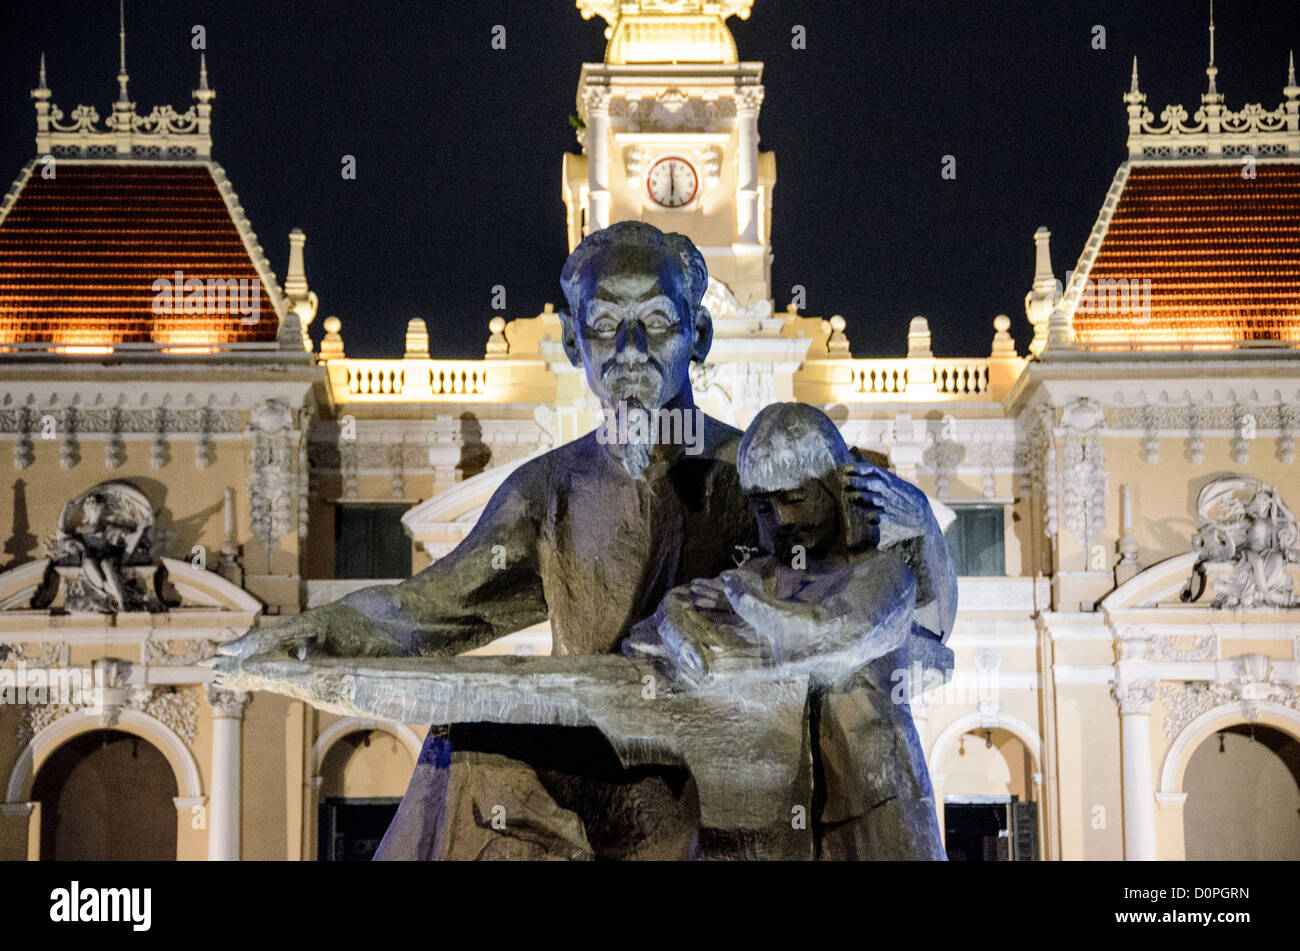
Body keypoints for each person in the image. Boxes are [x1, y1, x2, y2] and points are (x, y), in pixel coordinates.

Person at [219, 221, 956, 860]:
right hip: (600, 777)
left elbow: (901, 611)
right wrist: (309, 631)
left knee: (856, 715)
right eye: (605, 324)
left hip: (734, 788)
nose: (630, 349)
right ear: (574, 343)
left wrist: (921, 532)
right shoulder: (547, 490)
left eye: (658, 321)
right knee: (474, 754)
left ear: (696, 336)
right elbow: (425, 609)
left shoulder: (768, 472)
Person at [627, 402, 949, 859]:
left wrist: (748, 604)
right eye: (764, 505)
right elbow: (647, 633)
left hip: (877, 803)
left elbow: (832, 639)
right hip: (777, 815)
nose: (780, 519)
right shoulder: (761, 576)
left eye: (795, 498)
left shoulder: (881, 573)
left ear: (837, 490)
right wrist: (681, 626)